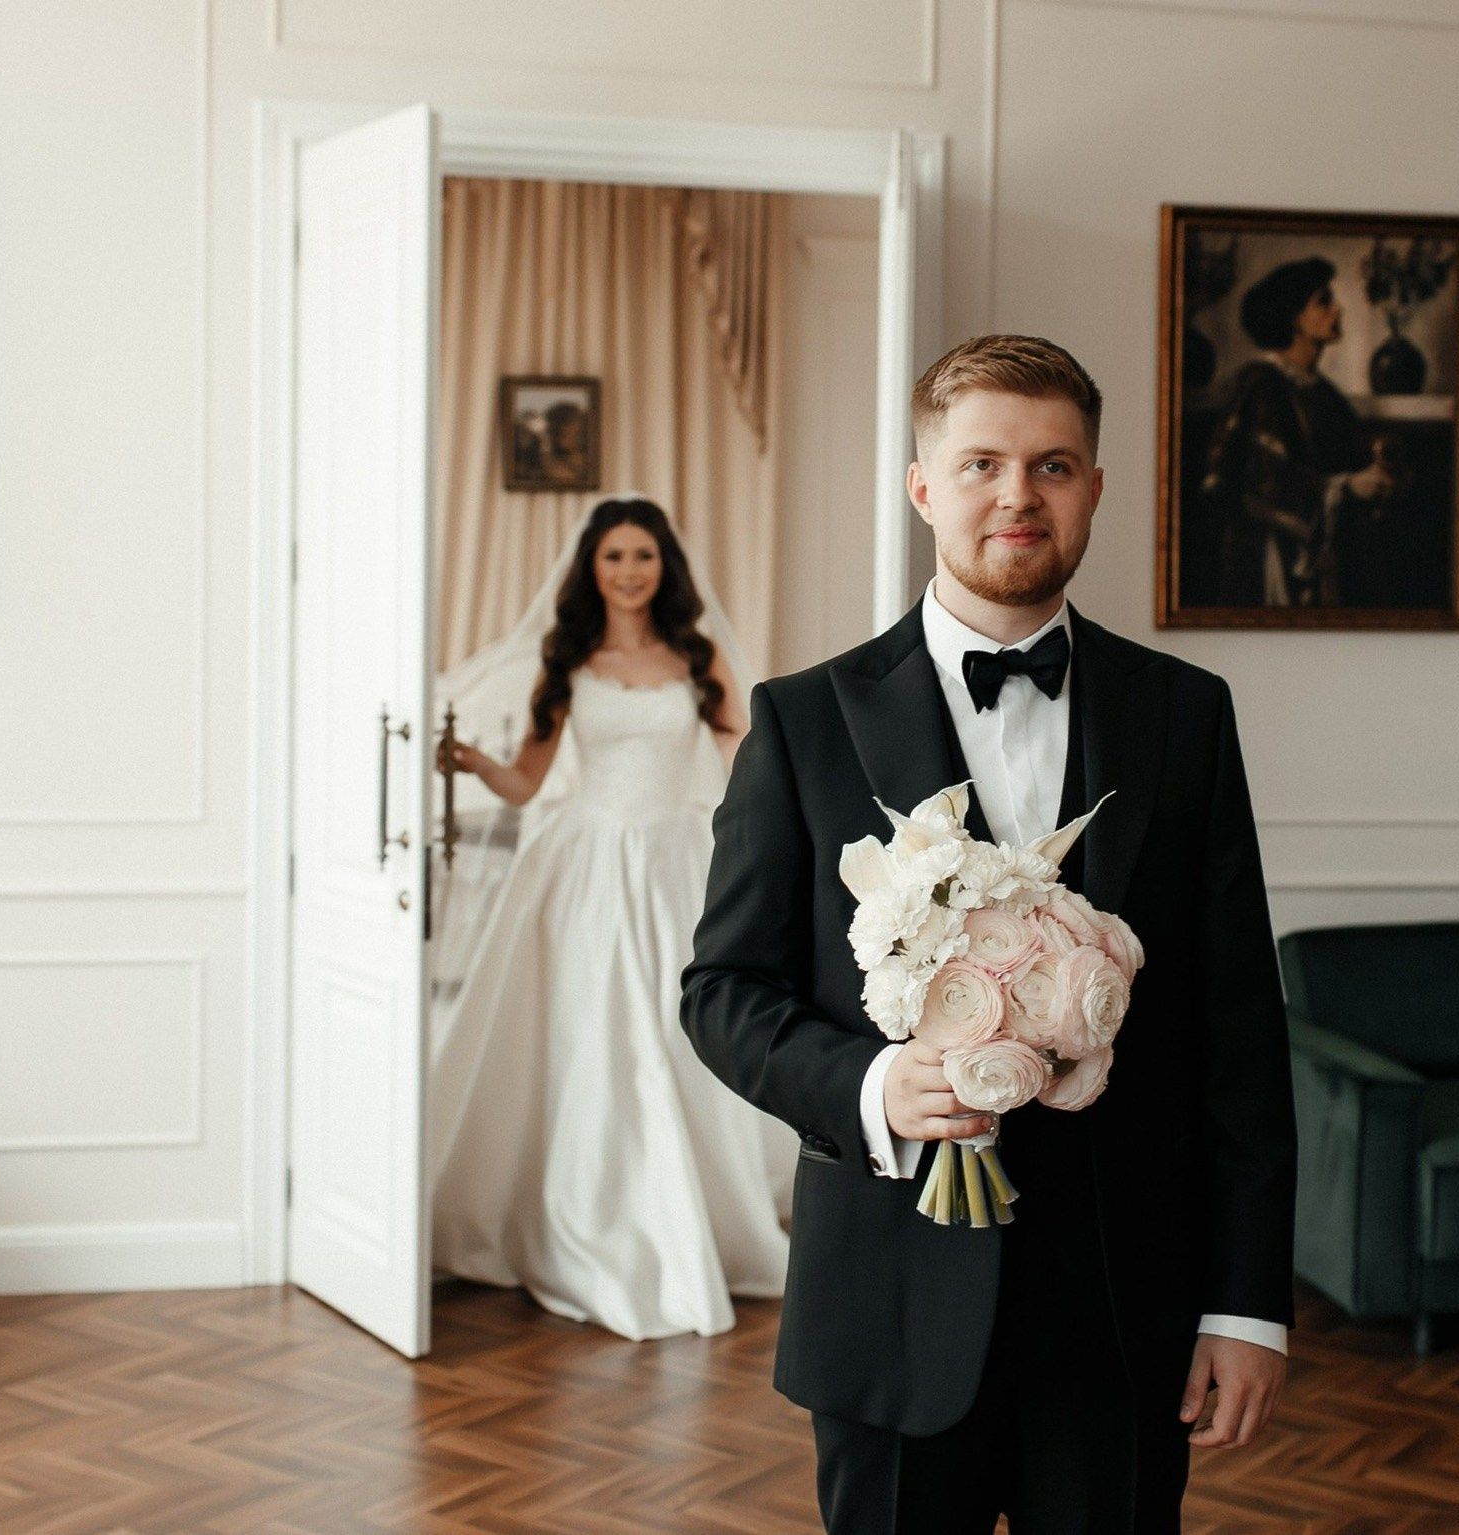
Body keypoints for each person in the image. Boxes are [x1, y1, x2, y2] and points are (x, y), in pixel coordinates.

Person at [682, 335, 1296, 1533]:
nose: (1018, 494)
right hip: (892, 1297)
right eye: (981, 464)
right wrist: (870, 1085)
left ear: (1096, 489)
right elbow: (723, 988)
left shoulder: (1186, 716)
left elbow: (1238, 1028)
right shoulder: (802, 722)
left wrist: (1245, 1306)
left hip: (1126, 1303)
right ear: (924, 488)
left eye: (1054, 464)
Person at [427, 494, 794, 1341]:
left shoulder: (695, 658)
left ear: (665, 567)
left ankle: (692, 1209)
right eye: (613, 557)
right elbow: (526, 782)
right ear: (590, 569)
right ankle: (588, 1213)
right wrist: (475, 761)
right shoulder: (567, 662)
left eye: (643, 555)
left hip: (675, 862)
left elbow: (744, 753)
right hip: (585, 864)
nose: (629, 571)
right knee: (590, 1034)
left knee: (678, 1028)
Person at [1199, 256, 1393, 605]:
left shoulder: (1324, 394)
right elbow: (1260, 477)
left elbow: (1353, 457)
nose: (1338, 310)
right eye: (1323, 301)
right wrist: (1345, 487)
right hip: (1270, 560)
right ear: (1294, 318)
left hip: (1322, 558)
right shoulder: (1260, 384)